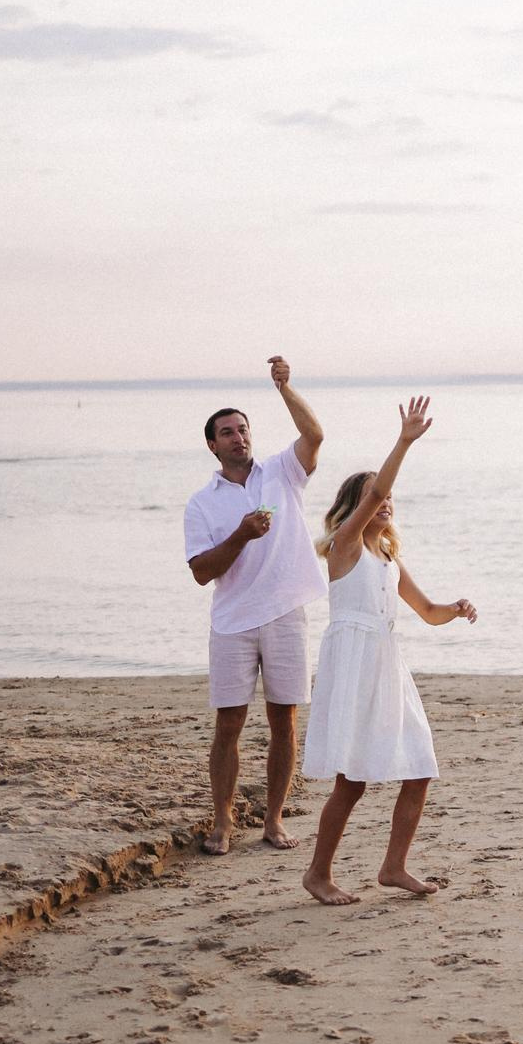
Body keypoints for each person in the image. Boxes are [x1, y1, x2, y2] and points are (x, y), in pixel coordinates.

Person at [300, 396, 477, 905]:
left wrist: (456, 607)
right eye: (374, 496)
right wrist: (403, 442)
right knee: (351, 781)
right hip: (353, 665)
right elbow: (377, 487)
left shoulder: (388, 556)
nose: (384, 501)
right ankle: (318, 873)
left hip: (387, 664)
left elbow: (427, 611)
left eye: (388, 498)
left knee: (419, 767)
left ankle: (393, 866)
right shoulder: (346, 546)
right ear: (355, 508)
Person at [183, 356, 327, 855]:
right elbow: (202, 571)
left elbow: (315, 436)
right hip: (232, 624)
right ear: (212, 444)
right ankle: (222, 821)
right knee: (229, 724)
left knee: (284, 721)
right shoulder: (202, 502)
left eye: (242, 429)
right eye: (226, 432)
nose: (237, 437)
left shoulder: (283, 472)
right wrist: (243, 534)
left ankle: (273, 819)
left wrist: (285, 388)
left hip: (286, 612)